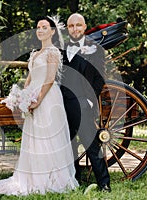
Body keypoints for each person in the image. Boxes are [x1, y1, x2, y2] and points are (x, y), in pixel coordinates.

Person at [0, 16, 79, 196]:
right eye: (38, 27)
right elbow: (30, 79)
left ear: (52, 31)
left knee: (48, 137)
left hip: (48, 98)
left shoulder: (52, 52)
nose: (40, 30)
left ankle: (52, 178)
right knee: (33, 138)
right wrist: (22, 96)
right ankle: (33, 176)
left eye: (44, 27)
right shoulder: (35, 53)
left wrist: (38, 99)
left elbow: (49, 79)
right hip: (33, 96)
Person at [60, 13, 111, 192]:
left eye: (78, 25)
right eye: (71, 26)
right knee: (69, 143)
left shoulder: (95, 49)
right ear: (68, 29)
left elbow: (100, 77)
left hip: (82, 101)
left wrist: (90, 100)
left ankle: (104, 183)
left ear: (84, 26)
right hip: (62, 102)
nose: (75, 29)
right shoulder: (61, 49)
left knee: (90, 143)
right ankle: (74, 180)